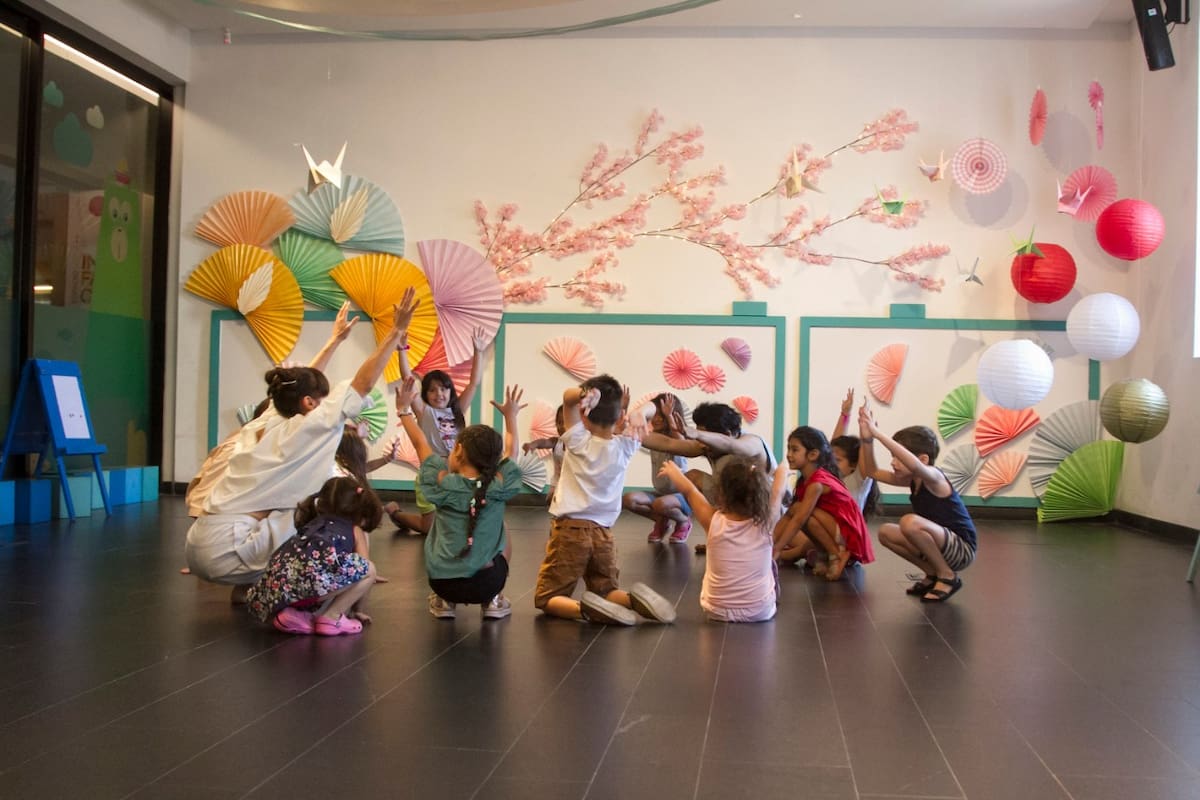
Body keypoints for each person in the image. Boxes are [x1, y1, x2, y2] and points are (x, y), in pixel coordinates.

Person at [185, 288, 419, 601]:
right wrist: (395, 332)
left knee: (294, 502)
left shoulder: (268, 417)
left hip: (199, 543)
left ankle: (250, 587)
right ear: (309, 403)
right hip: (229, 550)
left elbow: (298, 382)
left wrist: (334, 341)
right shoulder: (309, 427)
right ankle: (313, 602)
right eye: (320, 400)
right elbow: (361, 384)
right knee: (323, 512)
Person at [534, 375, 676, 626]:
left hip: (570, 531)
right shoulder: (626, 445)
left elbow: (567, 401)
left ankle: (585, 610)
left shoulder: (577, 441)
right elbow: (656, 402)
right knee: (606, 589)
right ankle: (630, 600)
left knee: (548, 598)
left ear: (584, 414)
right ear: (620, 416)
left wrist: (581, 396)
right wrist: (638, 414)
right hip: (603, 534)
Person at [396, 376, 525, 620]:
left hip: (443, 583)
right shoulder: (498, 485)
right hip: (488, 582)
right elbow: (513, 452)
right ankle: (493, 601)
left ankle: (445, 603)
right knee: (503, 527)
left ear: (458, 451)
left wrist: (403, 410)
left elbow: (420, 443)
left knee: (438, 528)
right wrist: (511, 417)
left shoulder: (442, 482)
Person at [858, 404, 977, 603]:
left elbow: (914, 464)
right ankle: (932, 574)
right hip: (940, 545)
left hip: (961, 549)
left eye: (898, 457)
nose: (893, 463)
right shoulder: (912, 480)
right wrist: (866, 439)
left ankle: (947, 576)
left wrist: (878, 434)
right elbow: (870, 471)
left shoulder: (934, 477)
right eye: (893, 458)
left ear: (923, 459)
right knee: (886, 532)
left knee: (909, 522)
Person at [245, 476, 380, 636]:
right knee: (369, 569)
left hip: (278, 594)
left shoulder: (313, 524)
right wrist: (357, 610)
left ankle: (293, 614)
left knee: (317, 573)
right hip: (309, 591)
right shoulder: (354, 530)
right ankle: (332, 618)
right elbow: (362, 568)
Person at [660, 457, 788, 622]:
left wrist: (674, 472)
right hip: (759, 611)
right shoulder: (766, 523)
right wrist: (783, 470)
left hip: (716, 610)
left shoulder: (713, 521)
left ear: (721, 494)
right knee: (771, 564)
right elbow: (778, 493)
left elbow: (690, 491)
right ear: (760, 493)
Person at [639, 399, 776, 554]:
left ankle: (732, 541)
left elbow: (733, 446)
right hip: (732, 504)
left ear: (728, 434)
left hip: (764, 509)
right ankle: (720, 538)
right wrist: (629, 432)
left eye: (705, 436)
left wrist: (697, 433)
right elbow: (669, 444)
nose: (701, 442)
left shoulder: (752, 442)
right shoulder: (706, 445)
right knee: (692, 477)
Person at [387, 326, 489, 535]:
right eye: (432, 390)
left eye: (443, 388)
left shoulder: (457, 410)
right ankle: (396, 513)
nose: (438, 394)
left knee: (454, 524)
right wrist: (402, 351)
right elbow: (408, 378)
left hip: (455, 474)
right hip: (431, 475)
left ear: (450, 391)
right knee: (429, 528)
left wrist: (478, 351)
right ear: (425, 394)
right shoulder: (425, 411)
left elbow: (473, 383)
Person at [772, 426, 874, 581]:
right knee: (799, 513)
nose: (789, 455)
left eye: (794, 450)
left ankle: (836, 554)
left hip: (849, 535)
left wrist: (777, 548)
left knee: (800, 512)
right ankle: (824, 553)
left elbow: (798, 519)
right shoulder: (808, 479)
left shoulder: (817, 483)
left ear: (813, 455)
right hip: (836, 530)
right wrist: (770, 542)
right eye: (789, 449)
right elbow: (791, 516)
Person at [621, 393, 693, 543]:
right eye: (655, 414)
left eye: (662, 415)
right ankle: (661, 520)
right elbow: (625, 429)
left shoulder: (677, 437)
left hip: (681, 496)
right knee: (628, 499)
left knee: (661, 504)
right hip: (660, 493)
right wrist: (624, 408)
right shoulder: (652, 436)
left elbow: (683, 445)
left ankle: (683, 521)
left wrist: (669, 417)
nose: (657, 418)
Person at [830, 388, 880, 516]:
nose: (832, 463)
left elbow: (865, 454)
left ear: (853, 464)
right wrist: (845, 414)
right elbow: (834, 445)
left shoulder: (859, 479)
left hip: (848, 532)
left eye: (838, 460)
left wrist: (865, 432)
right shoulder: (836, 475)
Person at [523, 404, 566, 497]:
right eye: (559, 422)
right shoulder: (556, 442)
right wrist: (533, 444)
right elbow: (544, 442)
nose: (561, 426)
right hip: (558, 483)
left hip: (573, 485)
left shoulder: (578, 446)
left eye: (565, 422)